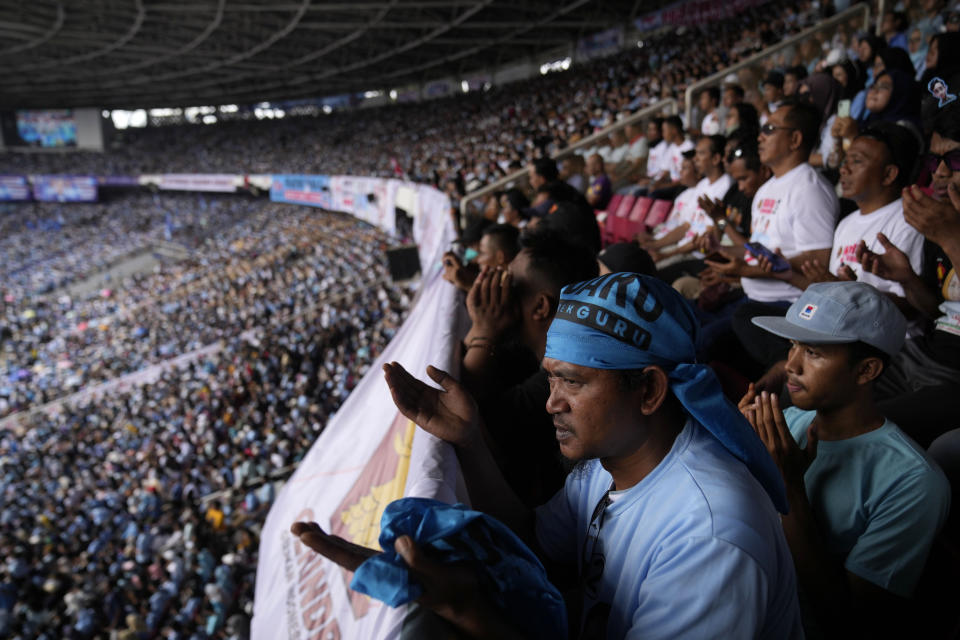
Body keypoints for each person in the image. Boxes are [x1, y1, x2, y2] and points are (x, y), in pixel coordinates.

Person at [295, 273, 803, 639]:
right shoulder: (610, 462)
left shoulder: (710, 533)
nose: (550, 401)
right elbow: (536, 539)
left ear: (648, 390)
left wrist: (468, 610)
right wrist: (470, 442)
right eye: (552, 376)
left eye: (573, 382)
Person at [745, 282, 950, 636]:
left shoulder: (913, 481)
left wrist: (790, 489)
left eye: (813, 352)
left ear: (866, 371)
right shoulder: (788, 423)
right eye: (793, 345)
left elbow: (849, 621)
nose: (790, 365)